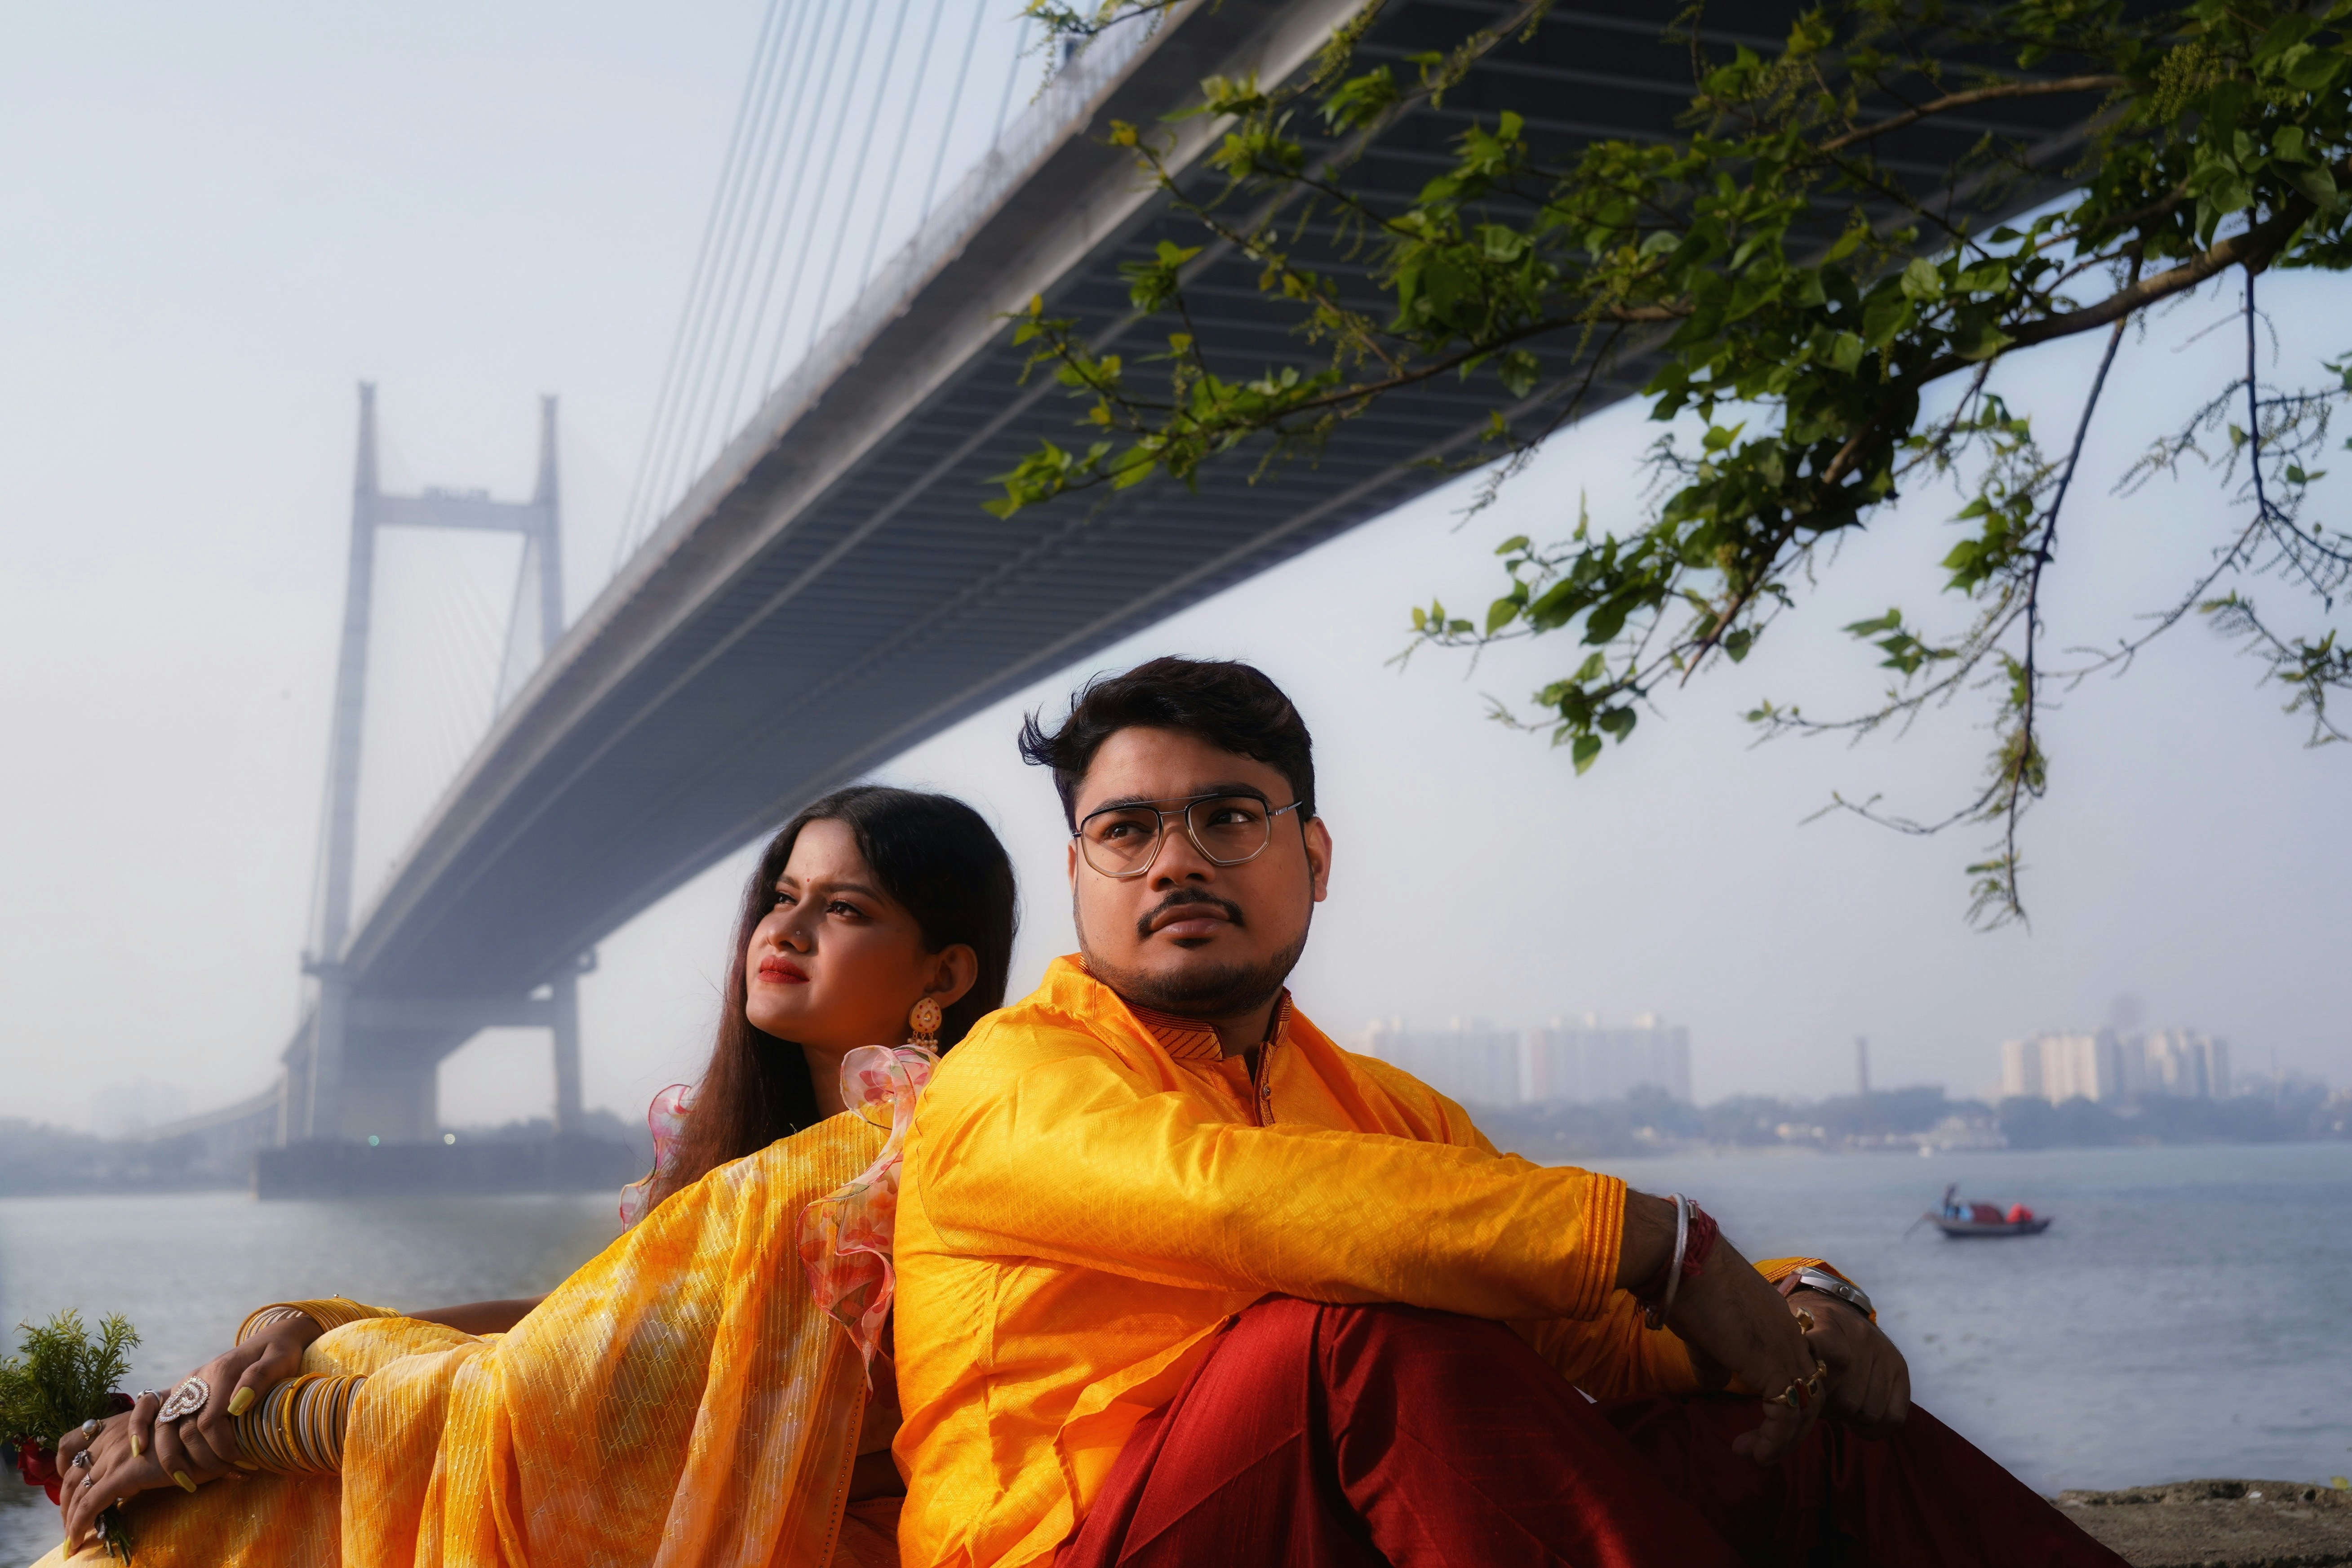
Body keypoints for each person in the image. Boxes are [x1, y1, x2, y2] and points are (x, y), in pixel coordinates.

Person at [890, 657, 2128, 1568]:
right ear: (1077, 876)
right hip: (1078, 1546)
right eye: (1125, 830)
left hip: (1333, 1532)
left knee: (1796, 1419)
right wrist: (1655, 1239)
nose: (1175, 861)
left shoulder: (1383, 1111)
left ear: (1314, 859)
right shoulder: (1005, 1080)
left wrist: (1800, 1298)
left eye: (1227, 818)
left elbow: (1586, 1332)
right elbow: (1230, 1196)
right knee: (1352, 1334)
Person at [48, 785, 1017, 1568]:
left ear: (943, 975)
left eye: (842, 907)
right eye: (782, 895)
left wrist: (259, 1424)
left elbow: (545, 1397)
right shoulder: (786, 1155)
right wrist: (301, 1332)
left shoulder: (886, 1158)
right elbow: (586, 1322)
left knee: (231, 1507)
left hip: (788, 1539)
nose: (786, 927)